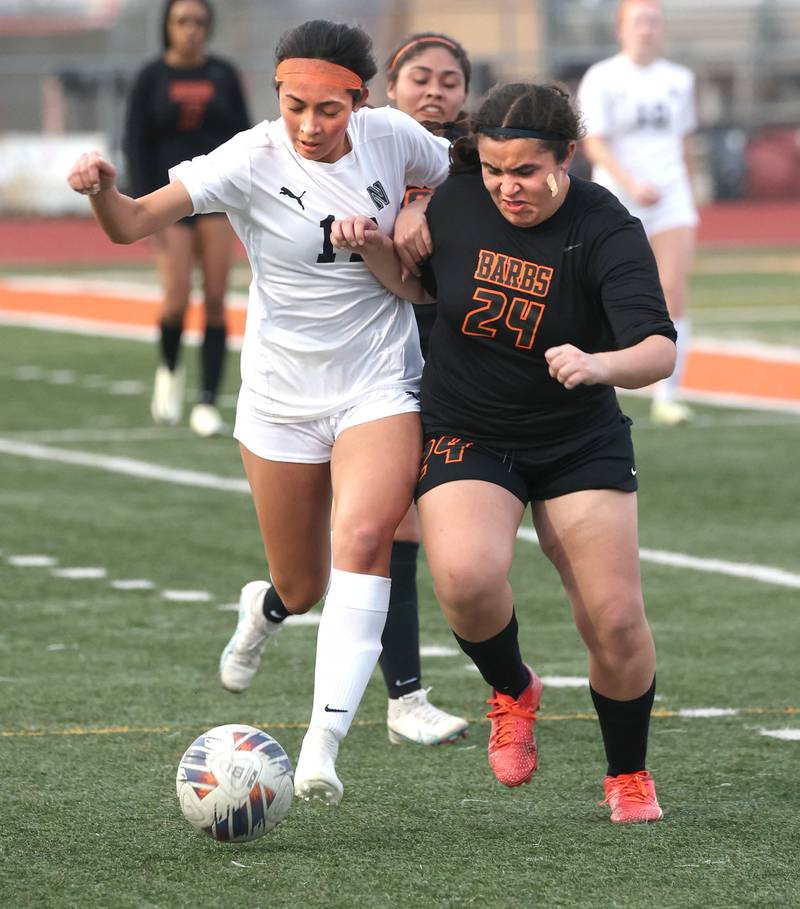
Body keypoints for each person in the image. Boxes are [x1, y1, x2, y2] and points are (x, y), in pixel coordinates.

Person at [69, 19, 452, 805]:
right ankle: (266, 605)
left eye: (329, 110)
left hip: (378, 380)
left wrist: (415, 204)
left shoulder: (394, 136)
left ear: (362, 101)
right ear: (276, 94)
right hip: (280, 395)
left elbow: (450, 166)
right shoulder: (247, 157)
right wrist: (104, 189)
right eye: (294, 105)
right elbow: (134, 223)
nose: (310, 125)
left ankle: (322, 743)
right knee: (303, 583)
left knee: (367, 534)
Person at [354, 80, 676, 823]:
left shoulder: (605, 225)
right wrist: (382, 241)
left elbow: (658, 348)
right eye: (495, 169)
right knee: (465, 578)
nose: (507, 187)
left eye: (525, 171)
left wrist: (600, 364)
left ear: (566, 155)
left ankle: (627, 773)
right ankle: (512, 687)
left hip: (577, 438)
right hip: (471, 425)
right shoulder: (455, 196)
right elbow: (417, 290)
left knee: (616, 618)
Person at [361, 32, 474, 747]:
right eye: (420, 79)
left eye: (451, 81)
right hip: (373, 355)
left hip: (465, 355)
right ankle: (405, 699)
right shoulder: (360, 149)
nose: (435, 91)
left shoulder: (482, 161)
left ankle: (275, 604)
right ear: (390, 89)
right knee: (388, 526)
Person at [123, 0, 250, 436]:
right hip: (169, 199)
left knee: (216, 298)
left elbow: (243, 137)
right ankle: (169, 371)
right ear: (167, 26)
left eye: (198, 21)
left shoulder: (223, 75)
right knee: (176, 299)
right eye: (181, 21)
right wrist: (144, 204)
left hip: (215, 199)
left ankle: (208, 402)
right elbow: (135, 139)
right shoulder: (151, 77)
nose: (190, 29)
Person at [577, 0, 697, 426]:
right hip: (618, 198)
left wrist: (686, 185)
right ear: (620, 28)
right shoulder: (603, 77)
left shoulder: (679, 79)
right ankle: (601, 377)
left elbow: (684, 141)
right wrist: (631, 185)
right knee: (601, 289)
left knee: (671, 287)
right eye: (638, 21)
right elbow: (596, 143)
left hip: (671, 199)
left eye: (653, 21)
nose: (646, 29)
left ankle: (669, 392)